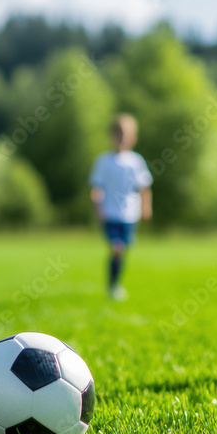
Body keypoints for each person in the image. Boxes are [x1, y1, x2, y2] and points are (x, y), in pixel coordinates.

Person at [89, 114, 153, 301]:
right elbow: (96, 187)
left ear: (133, 137)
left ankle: (115, 284)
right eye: (119, 134)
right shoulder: (104, 161)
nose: (122, 138)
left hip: (129, 214)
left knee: (122, 249)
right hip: (109, 213)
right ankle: (113, 287)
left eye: (126, 134)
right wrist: (98, 207)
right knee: (117, 247)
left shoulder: (136, 161)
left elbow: (144, 187)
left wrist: (146, 207)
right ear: (112, 135)